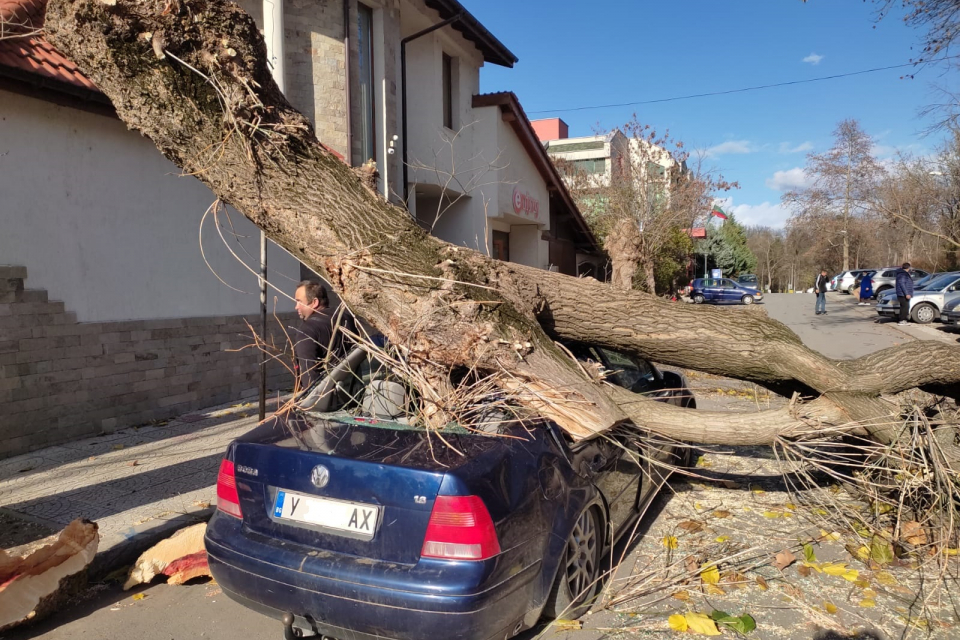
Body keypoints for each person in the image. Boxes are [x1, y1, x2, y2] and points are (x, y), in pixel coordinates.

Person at [291, 280, 340, 390]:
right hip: (352, 393)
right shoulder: (345, 318)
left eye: (299, 301)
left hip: (326, 398)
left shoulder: (307, 330)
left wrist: (310, 402)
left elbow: (309, 374)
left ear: (314, 302)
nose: (296, 307)